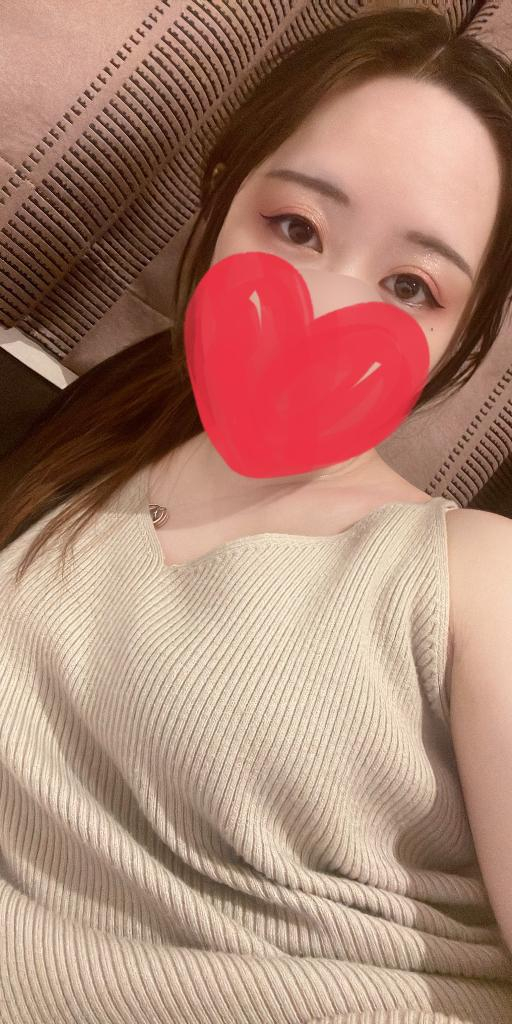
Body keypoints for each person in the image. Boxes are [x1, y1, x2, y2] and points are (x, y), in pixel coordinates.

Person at [1, 8, 512, 1023]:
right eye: (294, 227)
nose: (323, 306)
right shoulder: (78, 450)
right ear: (223, 197)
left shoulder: (473, 573)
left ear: (460, 340)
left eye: (410, 285)